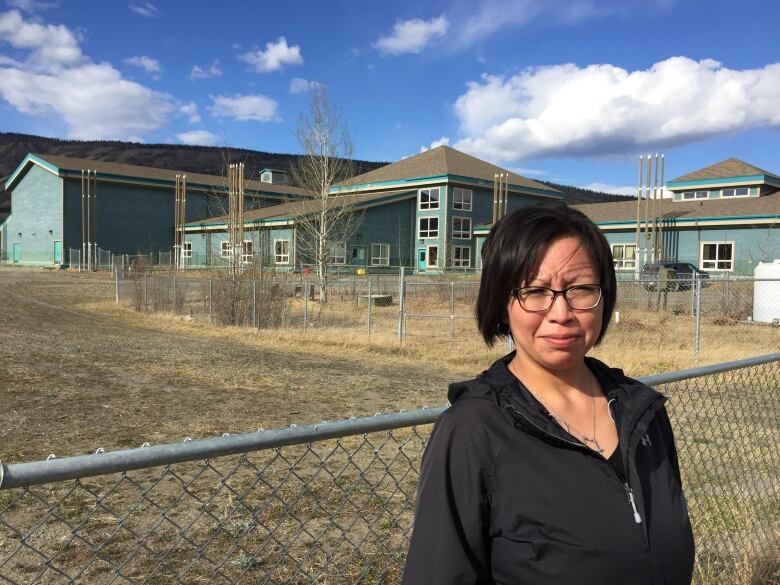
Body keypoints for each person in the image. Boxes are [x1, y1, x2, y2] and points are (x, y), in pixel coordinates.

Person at [402, 204, 694, 585]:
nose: (562, 312)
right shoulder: (473, 432)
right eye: (535, 291)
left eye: (581, 289)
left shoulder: (642, 412)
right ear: (502, 304)